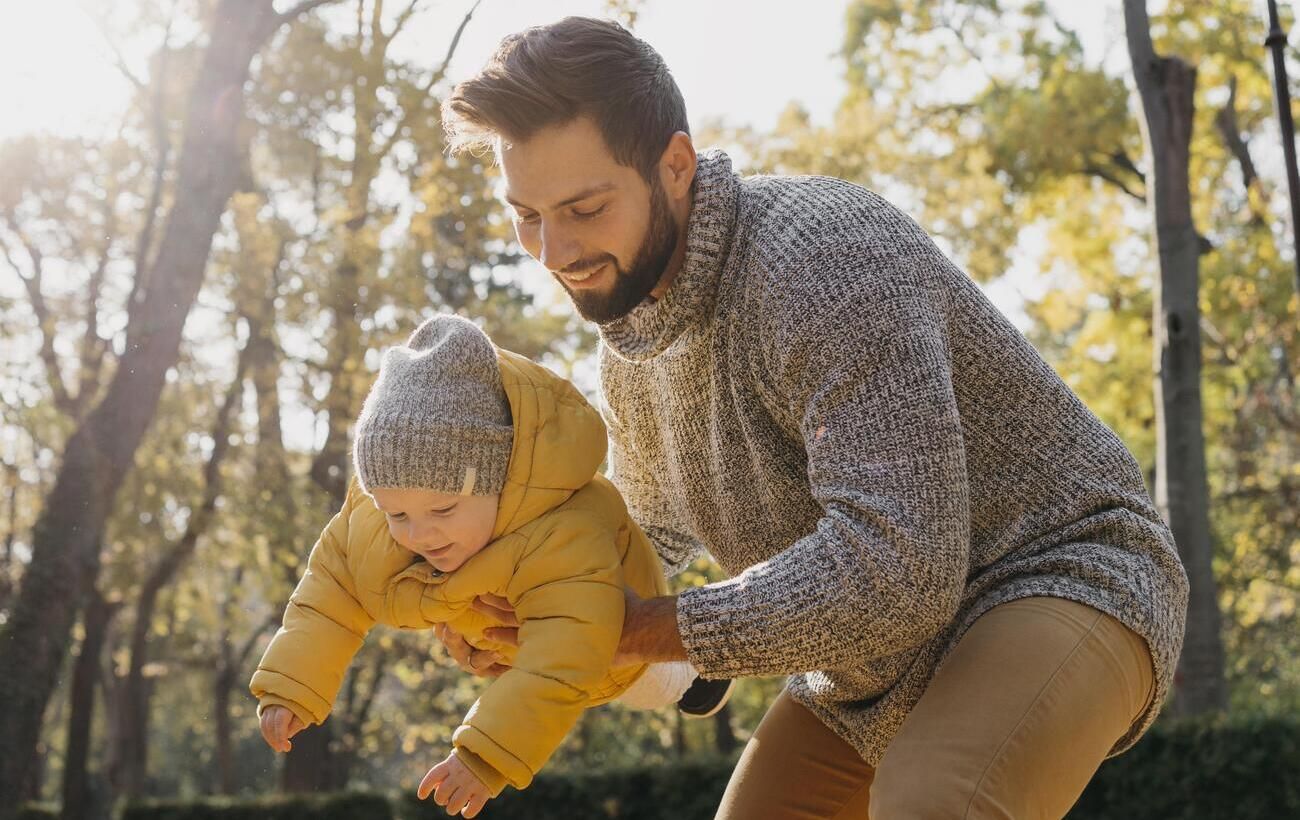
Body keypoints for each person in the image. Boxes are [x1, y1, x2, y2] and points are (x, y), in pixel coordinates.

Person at [435, 16, 1191, 819]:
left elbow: (900, 570)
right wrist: (528, 610)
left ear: (676, 166)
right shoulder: (632, 347)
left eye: (584, 207)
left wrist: (644, 629)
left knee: (938, 802)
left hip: (1059, 573)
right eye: (527, 216)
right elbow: (640, 540)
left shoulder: (821, 260)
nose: (553, 251)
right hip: (868, 662)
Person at [249, 314, 732, 819]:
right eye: (397, 513)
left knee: (645, 686)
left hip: (612, 641)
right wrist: (291, 684)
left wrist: (485, 754)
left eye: (442, 511)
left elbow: (567, 653)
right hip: (508, 647)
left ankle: (700, 671)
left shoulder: (563, 528)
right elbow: (327, 596)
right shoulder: (372, 524)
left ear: (500, 482)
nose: (419, 534)